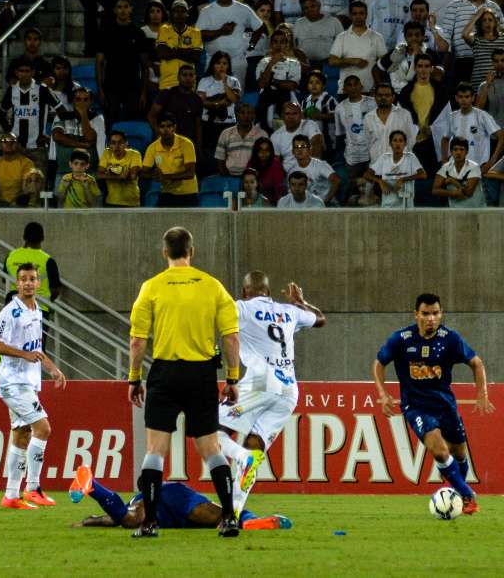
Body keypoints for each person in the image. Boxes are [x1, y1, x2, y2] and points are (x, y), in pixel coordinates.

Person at [127, 226, 240, 538]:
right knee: (211, 449)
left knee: (155, 450)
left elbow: (138, 342)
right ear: (192, 251)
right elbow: (230, 337)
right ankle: (229, 518)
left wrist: (134, 379)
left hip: (165, 372)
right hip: (202, 374)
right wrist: (232, 377)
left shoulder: (152, 287)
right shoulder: (212, 286)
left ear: (165, 252)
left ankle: (149, 522)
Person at [214, 272, 323, 517]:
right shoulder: (290, 311)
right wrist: (300, 302)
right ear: (268, 291)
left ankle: (240, 456)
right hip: (289, 386)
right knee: (256, 443)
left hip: (261, 379)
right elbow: (320, 319)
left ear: (245, 292)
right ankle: (234, 510)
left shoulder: (240, 308)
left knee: (211, 430)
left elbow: (221, 326)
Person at [373, 293, 494, 515]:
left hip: (445, 406)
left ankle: (456, 492)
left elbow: (476, 363)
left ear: (441, 314)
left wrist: (482, 393)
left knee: (458, 454)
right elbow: (379, 363)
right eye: (426, 313)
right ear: (416, 314)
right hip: (416, 407)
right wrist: (383, 394)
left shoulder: (450, 339)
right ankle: (468, 494)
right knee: (438, 450)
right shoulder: (401, 339)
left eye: (436, 313)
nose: (431, 318)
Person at [0, 262, 67, 510]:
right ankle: (32, 488)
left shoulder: (37, 310)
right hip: (13, 382)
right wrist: (22, 354)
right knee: (43, 428)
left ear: (38, 283)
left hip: (28, 382)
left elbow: (36, 349)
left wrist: (52, 369)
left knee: (21, 435)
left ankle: (11, 495)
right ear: (17, 283)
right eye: (23, 279)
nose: (28, 283)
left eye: (32, 279)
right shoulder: (10, 312)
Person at [68, 466, 291, 532]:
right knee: (220, 514)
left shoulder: (137, 500)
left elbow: (115, 519)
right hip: (174, 498)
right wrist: (90, 521)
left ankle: (93, 486)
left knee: (130, 520)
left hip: (165, 502)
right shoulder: (165, 491)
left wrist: (89, 521)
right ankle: (250, 520)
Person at [197, 0, 266, 85]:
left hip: (237, 61)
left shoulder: (243, 9)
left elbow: (260, 27)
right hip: (213, 61)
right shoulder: (206, 11)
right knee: (212, 96)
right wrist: (221, 31)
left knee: (237, 97)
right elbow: (199, 35)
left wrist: (251, 46)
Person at [328, 0, 387, 94]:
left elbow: (384, 64)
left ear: (366, 14)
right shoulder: (341, 37)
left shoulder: (377, 37)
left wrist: (378, 85)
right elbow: (332, 61)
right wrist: (352, 61)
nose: (358, 17)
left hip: (369, 90)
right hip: (346, 91)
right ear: (350, 15)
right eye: (355, 13)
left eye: (361, 13)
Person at [142, 117, 197, 207]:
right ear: (158, 128)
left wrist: (165, 177)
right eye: (162, 126)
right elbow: (143, 173)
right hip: (167, 192)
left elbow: (190, 173)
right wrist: (154, 174)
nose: (166, 129)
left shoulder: (186, 144)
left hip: (188, 193)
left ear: (174, 128)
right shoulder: (152, 147)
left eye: (169, 126)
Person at [364, 129, 426, 208]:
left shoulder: (410, 157)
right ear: (390, 143)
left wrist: (403, 179)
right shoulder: (384, 157)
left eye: (401, 141)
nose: (398, 144)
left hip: (406, 206)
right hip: (387, 206)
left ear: (405, 144)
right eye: (395, 140)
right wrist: (380, 181)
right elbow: (366, 175)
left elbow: (423, 175)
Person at [215, 102, 267, 177]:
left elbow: (266, 160)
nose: (246, 116)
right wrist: (227, 178)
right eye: (242, 113)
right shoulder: (226, 133)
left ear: (254, 116)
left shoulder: (262, 134)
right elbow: (220, 159)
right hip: (230, 176)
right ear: (236, 115)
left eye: (249, 113)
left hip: (254, 177)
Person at [293, 0, 344, 67]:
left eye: (313, 6)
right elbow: (293, 46)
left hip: (328, 65)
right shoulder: (298, 23)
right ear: (302, 10)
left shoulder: (333, 21)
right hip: (305, 65)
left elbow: (342, 45)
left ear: (319, 5)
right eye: (306, 8)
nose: (310, 10)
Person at [433, 137, 486, 207]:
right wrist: (452, 193)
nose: (458, 152)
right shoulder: (445, 167)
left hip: (476, 210)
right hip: (455, 210)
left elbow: (468, 193)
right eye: (455, 149)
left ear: (467, 152)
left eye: (461, 149)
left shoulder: (474, 167)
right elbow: (435, 190)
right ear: (451, 152)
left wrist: (452, 181)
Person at [270, 102, 323, 172]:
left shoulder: (310, 125)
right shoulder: (275, 136)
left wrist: (312, 170)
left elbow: (317, 145)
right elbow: (276, 162)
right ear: (282, 116)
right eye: (287, 114)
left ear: (300, 115)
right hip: (288, 175)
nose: (291, 117)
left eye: (294, 113)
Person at [287, 134, 339, 205]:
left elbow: (336, 180)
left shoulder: (320, 165)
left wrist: (325, 201)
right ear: (293, 151)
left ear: (309, 149)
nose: (299, 150)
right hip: (306, 207)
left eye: (303, 146)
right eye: (296, 147)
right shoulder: (291, 171)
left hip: (327, 204)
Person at [97, 129, 142, 207]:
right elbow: (99, 175)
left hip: (132, 202)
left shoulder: (135, 154)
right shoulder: (107, 153)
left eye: (120, 142)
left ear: (126, 143)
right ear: (109, 145)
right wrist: (119, 176)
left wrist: (109, 174)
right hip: (111, 202)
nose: (117, 146)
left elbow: (132, 176)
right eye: (113, 143)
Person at [461, 7, 504, 87]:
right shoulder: (476, 38)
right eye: (484, 20)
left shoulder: (502, 38)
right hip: (478, 83)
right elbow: (464, 34)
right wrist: (477, 16)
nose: (487, 22)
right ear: (480, 24)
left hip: (499, 84)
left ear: (495, 23)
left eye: (490, 20)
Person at [248, 136, 285, 203]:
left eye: (267, 150)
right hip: (255, 202)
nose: (263, 153)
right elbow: (248, 189)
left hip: (273, 204)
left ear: (271, 151)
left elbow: (279, 191)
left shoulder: (276, 165)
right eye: (260, 150)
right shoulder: (251, 165)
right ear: (256, 152)